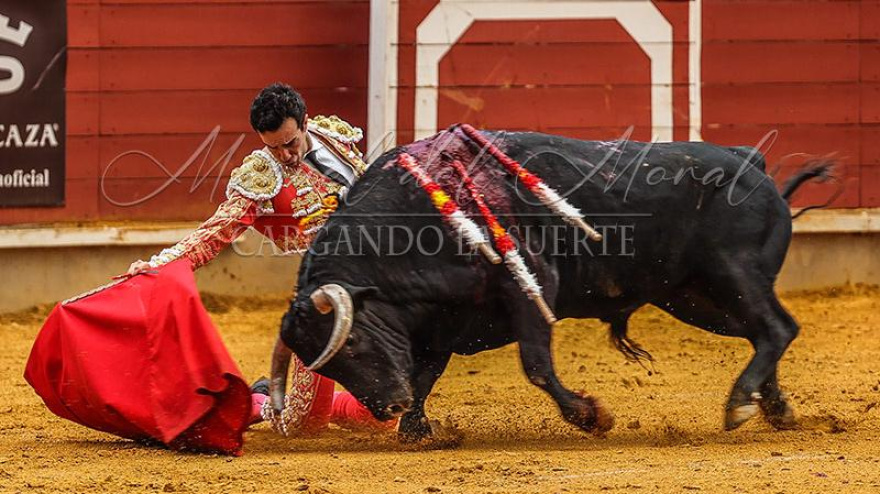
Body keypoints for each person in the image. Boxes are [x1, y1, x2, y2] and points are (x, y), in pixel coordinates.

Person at [125, 83, 392, 435]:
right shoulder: (261, 175)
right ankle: (257, 401)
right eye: (273, 147)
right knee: (303, 426)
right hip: (321, 304)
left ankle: (320, 402)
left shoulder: (334, 136)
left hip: (372, 293)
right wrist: (162, 264)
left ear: (305, 123)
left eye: (290, 143)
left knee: (381, 416)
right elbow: (215, 232)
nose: (284, 155)